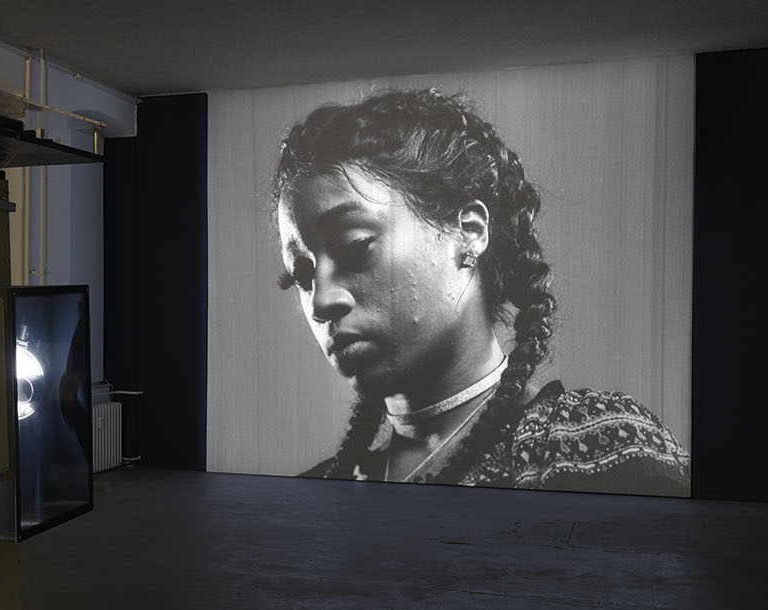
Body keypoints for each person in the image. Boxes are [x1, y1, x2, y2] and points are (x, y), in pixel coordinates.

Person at [272, 88, 690, 494]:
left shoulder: (593, 447)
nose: (322, 302)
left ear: (469, 233)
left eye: (355, 248)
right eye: (302, 276)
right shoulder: (316, 495)